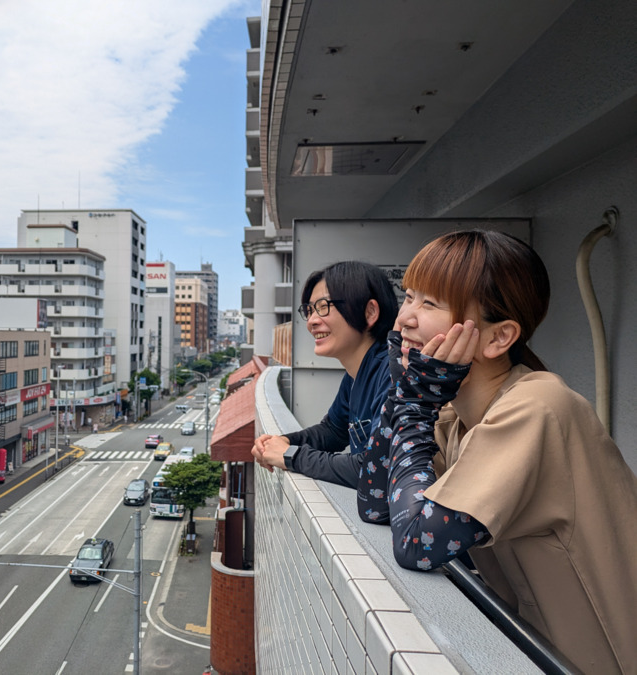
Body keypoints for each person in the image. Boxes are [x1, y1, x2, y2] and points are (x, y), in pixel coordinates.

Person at [363, 230, 637, 674]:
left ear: (499, 337)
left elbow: (416, 543)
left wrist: (413, 405)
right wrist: (402, 396)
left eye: (430, 304)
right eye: (408, 297)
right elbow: (376, 501)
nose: (404, 320)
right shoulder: (454, 415)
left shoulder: (536, 407)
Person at [252, 261, 398, 484]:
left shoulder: (392, 372)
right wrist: (281, 442)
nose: (311, 321)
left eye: (323, 307)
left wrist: (291, 455)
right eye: (309, 310)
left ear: (369, 312)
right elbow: (333, 431)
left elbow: (374, 469)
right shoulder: (357, 372)